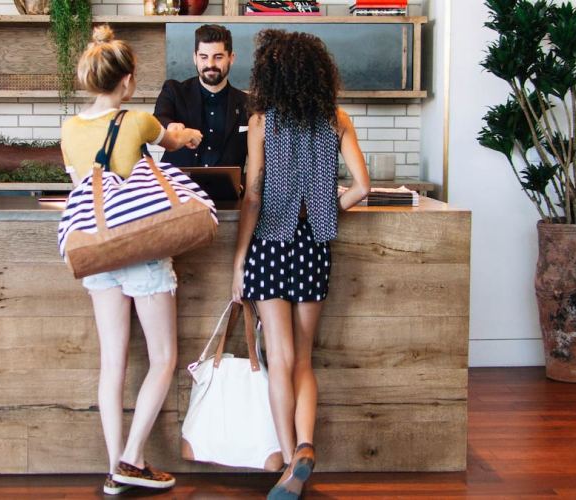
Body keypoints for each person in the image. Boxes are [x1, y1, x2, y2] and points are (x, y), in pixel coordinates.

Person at [59, 25, 203, 496]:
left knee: (112, 365)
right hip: (141, 247)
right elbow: (174, 139)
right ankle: (132, 459)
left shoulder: (69, 129)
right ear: (126, 81)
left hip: (99, 252)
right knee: (163, 357)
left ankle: (113, 470)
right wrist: (189, 134)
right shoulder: (137, 120)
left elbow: (81, 180)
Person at [231, 30, 370, 500]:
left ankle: (290, 464)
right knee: (305, 360)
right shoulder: (337, 118)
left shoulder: (261, 122)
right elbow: (362, 188)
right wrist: (327, 210)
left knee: (280, 361)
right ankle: (307, 444)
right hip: (313, 247)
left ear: (269, 76)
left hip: (270, 244)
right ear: (317, 71)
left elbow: (252, 195)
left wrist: (238, 261)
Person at [154, 24, 249, 170]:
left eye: (218, 57)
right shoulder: (174, 90)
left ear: (231, 58)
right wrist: (171, 126)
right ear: (195, 58)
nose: (210, 64)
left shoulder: (247, 103)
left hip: (227, 191)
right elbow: (157, 119)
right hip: (177, 188)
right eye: (203, 57)